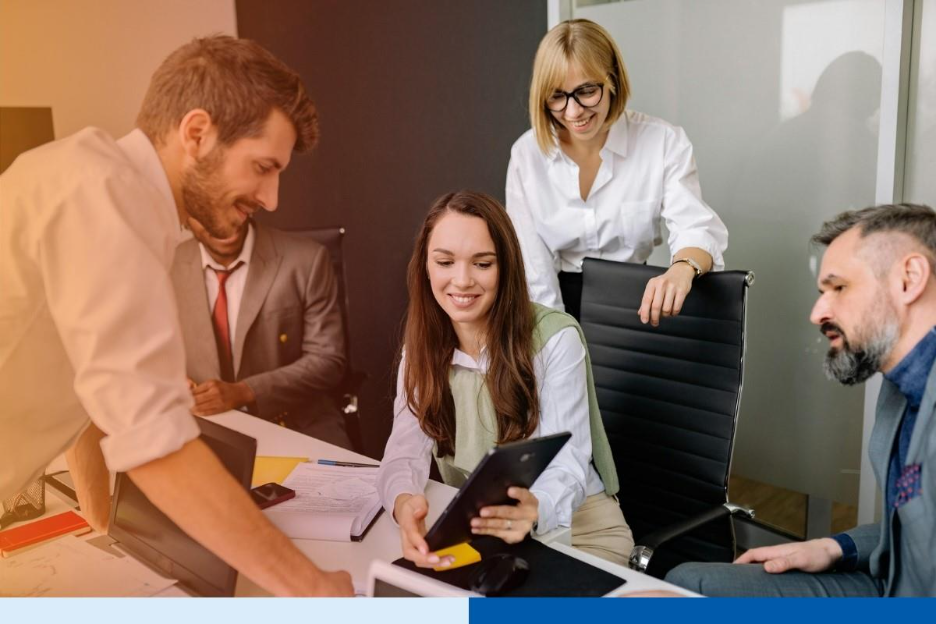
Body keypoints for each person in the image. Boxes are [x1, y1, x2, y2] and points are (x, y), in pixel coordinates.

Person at [0, 35, 352, 596]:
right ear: (197, 133)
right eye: (263, 167)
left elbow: (88, 394)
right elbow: (155, 445)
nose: (271, 198)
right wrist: (314, 589)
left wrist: (106, 530)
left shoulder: (91, 178)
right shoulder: (106, 198)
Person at [666, 204, 936, 597]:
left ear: (909, 279)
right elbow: (915, 528)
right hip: (890, 579)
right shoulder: (898, 384)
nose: (817, 313)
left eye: (839, 288)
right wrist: (836, 546)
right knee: (687, 584)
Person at [376, 190, 633, 568]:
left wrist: (534, 509)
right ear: (426, 267)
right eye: (445, 262)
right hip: (487, 532)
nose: (462, 280)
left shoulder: (554, 338)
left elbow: (568, 465)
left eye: (482, 264)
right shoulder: (421, 348)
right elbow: (402, 452)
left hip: (580, 529)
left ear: (505, 268)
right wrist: (403, 503)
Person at [505, 19, 728, 324]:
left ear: (612, 81)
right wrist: (556, 333)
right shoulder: (527, 155)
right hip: (555, 303)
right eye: (557, 96)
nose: (573, 111)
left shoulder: (662, 142)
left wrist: (682, 269)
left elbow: (695, 227)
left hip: (640, 306)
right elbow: (534, 269)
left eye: (586, 91)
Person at [171, 216, 352, 449]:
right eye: (208, 214)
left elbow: (327, 361)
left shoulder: (308, 259)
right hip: (204, 433)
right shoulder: (165, 265)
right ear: (186, 217)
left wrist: (246, 391)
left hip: (299, 426)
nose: (223, 222)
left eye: (230, 207)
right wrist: (173, 380)